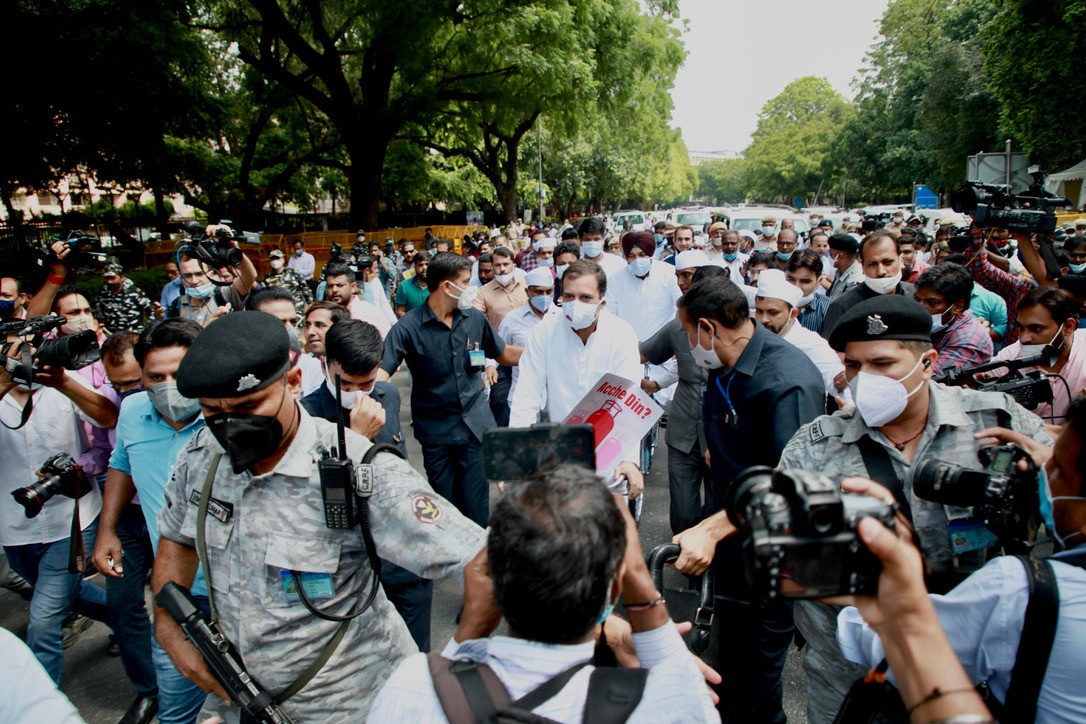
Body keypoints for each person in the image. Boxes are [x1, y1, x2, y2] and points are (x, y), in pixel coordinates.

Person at [152, 311, 487, 722]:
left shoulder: (361, 469)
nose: (231, 427)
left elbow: (484, 562)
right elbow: (177, 537)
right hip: (248, 701)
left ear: (293, 383)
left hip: (358, 707)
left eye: (249, 406)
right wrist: (168, 627)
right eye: (213, 412)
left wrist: (452, 668)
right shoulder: (204, 455)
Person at [777, 294, 1050, 724]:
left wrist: (1041, 484)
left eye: (882, 364)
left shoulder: (996, 423)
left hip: (982, 669)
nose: (864, 380)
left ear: (928, 363)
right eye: (852, 366)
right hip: (853, 677)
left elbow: (1068, 525)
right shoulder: (817, 446)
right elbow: (782, 568)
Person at [370, 465, 720, 723]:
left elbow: (442, 678)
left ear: (489, 581)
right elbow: (693, 697)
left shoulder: (411, 686)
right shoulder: (663, 706)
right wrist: (639, 584)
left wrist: (470, 628)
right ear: (614, 588)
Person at [839, 398, 1086, 723]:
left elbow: (908, 654)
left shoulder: (1018, 590)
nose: (1045, 470)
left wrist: (860, 609)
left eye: (1057, 470)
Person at [670, 276, 825, 723]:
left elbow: (792, 481)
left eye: (687, 333)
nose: (687, 342)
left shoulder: (787, 380)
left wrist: (715, 527)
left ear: (707, 327)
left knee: (757, 679)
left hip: (771, 557)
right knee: (729, 663)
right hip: (729, 544)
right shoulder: (725, 365)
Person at [90, 319, 209, 724]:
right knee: (177, 713)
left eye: (180, 373)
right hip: (174, 593)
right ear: (140, 376)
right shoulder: (132, 411)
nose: (168, 386)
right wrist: (107, 530)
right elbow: (120, 465)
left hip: (240, 592)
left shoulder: (229, 415)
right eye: (156, 377)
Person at [299, 319, 435, 653]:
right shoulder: (304, 418)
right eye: (347, 385)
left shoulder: (387, 395)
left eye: (368, 383)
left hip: (401, 556)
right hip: (348, 566)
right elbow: (311, 499)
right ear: (326, 364)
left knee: (415, 658)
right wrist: (355, 439)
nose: (359, 395)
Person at [0, 329, 119, 687]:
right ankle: (129, 619)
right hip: (13, 526)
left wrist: (64, 382)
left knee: (44, 619)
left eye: (29, 354)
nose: (25, 363)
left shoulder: (63, 385)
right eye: (15, 356)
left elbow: (109, 417)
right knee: (68, 594)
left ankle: (44, 703)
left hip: (72, 519)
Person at [379, 253, 522, 526]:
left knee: (478, 508)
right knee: (444, 509)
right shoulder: (407, 328)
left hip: (476, 428)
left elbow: (503, 354)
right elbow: (382, 375)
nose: (472, 288)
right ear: (447, 286)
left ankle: (478, 562)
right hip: (436, 434)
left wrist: (545, 355)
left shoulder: (473, 320)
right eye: (466, 282)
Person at [508, 261, 644, 497]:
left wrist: (630, 461)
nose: (575, 304)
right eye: (569, 296)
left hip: (611, 457)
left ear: (602, 302)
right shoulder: (545, 332)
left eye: (585, 297)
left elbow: (628, 400)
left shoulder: (621, 334)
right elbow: (527, 396)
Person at [641, 255, 716, 534]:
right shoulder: (677, 327)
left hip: (721, 436)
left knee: (718, 509)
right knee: (684, 512)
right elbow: (642, 353)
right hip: (683, 430)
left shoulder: (740, 335)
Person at [988, 287, 1085, 425]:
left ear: (1068, 327)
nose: (1024, 338)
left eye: (1036, 328)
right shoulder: (1009, 358)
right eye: (1021, 328)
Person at [755, 270, 851, 404]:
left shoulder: (810, 343)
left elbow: (839, 383)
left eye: (773, 313)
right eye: (759, 311)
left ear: (793, 314)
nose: (764, 319)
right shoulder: (752, 337)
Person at [822, 231, 915, 340]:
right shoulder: (844, 306)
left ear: (901, 261)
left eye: (888, 262)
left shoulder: (916, 297)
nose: (881, 271)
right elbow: (830, 352)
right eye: (872, 264)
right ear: (862, 266)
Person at [913, 263, 993, 376]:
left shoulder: (969, 340)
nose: (919, 308)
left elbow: (925, 379)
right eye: (917, 300)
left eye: (932, 303)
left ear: (958, 307)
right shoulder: (939, 325)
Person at [497, 267, 558, 415]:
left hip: (557, 396)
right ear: (527, 292)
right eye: (538, 292)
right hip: (524, 396)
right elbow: (498, 349)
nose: (544, 296)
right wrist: (490, 367)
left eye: (548, 292)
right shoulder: (512, 319)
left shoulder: (562, 318)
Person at [245, 286, 324, 396]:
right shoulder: (242, 370)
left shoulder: (313, 368)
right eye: (280, 322)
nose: (290, 329)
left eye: (293, 322)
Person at [167, 255, 250, 326]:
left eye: (199, 274)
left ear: (211, 274)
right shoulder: (177, 305)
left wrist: (233, 248)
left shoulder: (224, 294)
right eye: (187, 276)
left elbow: (249, 276)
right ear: (181, 279)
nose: (194, 281)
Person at [323, 262, 392, 339]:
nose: (334, 290)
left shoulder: (364, 313)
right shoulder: (327, 314)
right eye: (330, 286)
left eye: (340, 285)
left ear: (353, 287)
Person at [473, 247, 528, 330]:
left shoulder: (526, 283)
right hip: (500, 341)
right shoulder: (482, 292)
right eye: (498, 265)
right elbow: (475, 318)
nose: (502, 269)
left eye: (506, 264)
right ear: (492, 267)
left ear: (514, 266)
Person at [97, 258, 155, 333]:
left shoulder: (134, 292)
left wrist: (147, 331)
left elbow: (152, 311)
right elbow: (97, 313)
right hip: (112, 337)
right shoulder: (103, 293)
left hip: (133, 335)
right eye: (107, 278)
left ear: (121, 277)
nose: (109, 281)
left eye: (112, 278)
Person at [785, 250, 832, 335]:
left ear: (819, 281)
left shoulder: (828, 309)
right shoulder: (773, 303)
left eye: (805, 281)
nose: (797, 287)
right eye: (791, 279)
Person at [263, 249, 313, 316]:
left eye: (277, 258)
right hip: (277, 310)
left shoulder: (293, 273)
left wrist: (310, 303)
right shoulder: (268, 277)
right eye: (272, 259)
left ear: (283, 259)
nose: (275, 261)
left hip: (295, 308)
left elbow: (305, 288)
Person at [825, 233, 864, 299]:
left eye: (831, 254)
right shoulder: (840, 271)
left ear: (840, 256)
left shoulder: (854, 282)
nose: (829, 256)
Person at [395, 253, 431, 317]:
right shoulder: (404, 286)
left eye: (427, 264)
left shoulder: (439, 285)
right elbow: (400, 311)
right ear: (415, 267)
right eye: (420, 265)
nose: (424, 268)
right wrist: (414, 324)